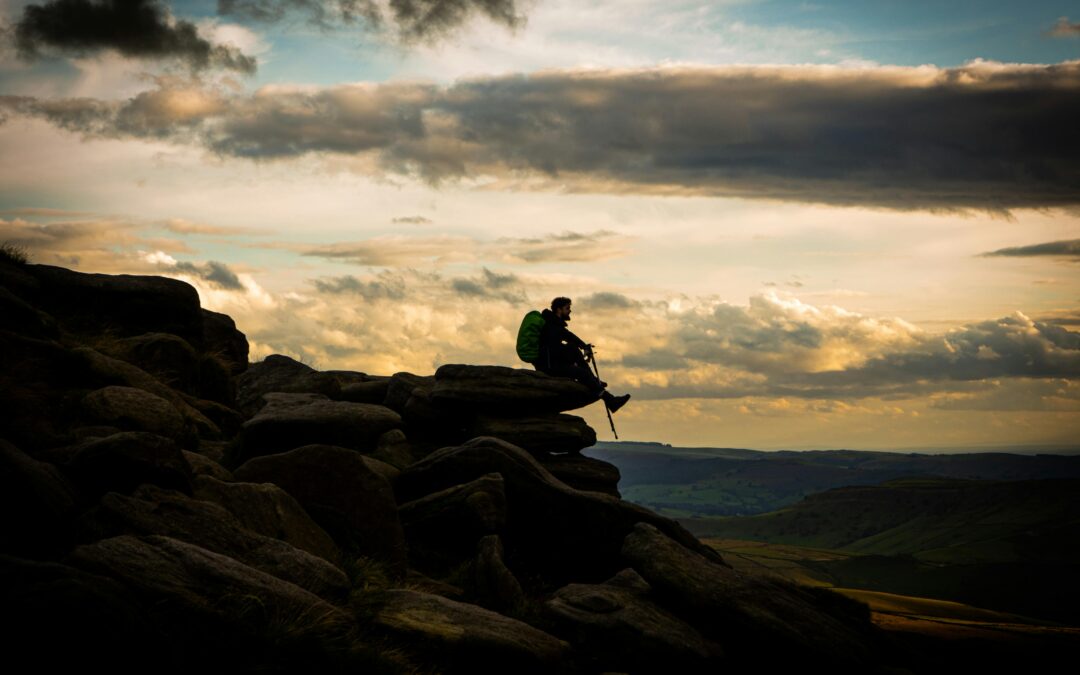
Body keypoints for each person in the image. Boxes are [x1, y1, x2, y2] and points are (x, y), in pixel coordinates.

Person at [534, 296, 631, 413]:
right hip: (551, 367)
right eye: (567, 308)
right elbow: (565, 339)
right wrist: (581, 348)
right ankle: (610, 400)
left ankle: (599, 386)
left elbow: (568, 337)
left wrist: (583, 347)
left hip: (553, 363)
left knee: (573, 350)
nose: (570, 311)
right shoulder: (551, 325)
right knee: (581, 372)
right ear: (559, 310)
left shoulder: (553, 323)